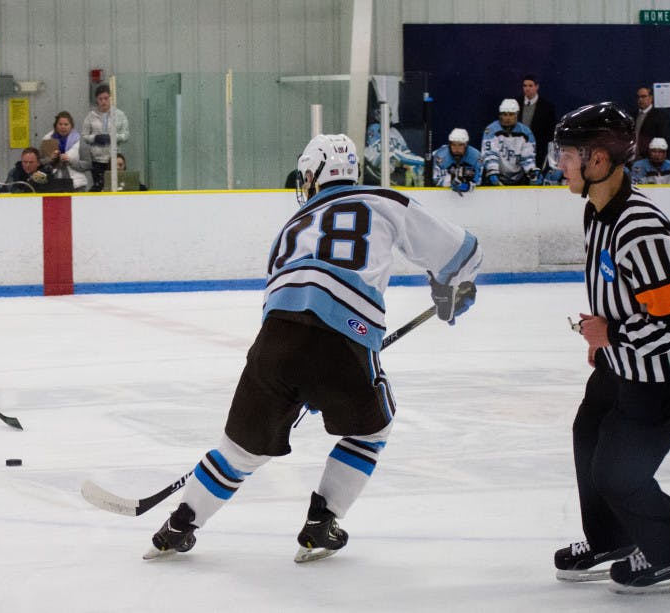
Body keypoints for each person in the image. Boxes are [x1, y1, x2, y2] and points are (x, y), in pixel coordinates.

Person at [144, 133, 481, 562]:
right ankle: (322, 522)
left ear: (312, 176)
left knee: (240, 450)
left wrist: (297, 377)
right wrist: (450, 290)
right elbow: (463, 252)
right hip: (344, 336)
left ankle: (178, 527)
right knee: (370, 430)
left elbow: (278, 301)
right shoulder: (382, 201)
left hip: (274, 342)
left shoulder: (291, 226)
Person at [549, 102, 670, 595]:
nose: (560, 165)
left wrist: (614, 335)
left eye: (567, 156)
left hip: (668, 369)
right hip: (627, 357)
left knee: (618, 474)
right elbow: (621, 290)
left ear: (598, 160)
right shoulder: (596, 210)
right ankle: (613, 539)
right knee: (588, 434)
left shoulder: (641, 228)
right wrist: (605, 338)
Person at [481, 99, 541, 186]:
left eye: (511, 114)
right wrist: (492, 171)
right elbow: (490, 154)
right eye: (505, 114)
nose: (508, 118)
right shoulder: (491, 130)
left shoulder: (526, 132)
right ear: (500, 115)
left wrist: (532, 171)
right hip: (496, 177)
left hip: (519, 179)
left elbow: (528, 158)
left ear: (517, 115)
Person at [82, 84, 129, 192]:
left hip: (114, 159)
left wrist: (112, 137)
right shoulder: (91, 116)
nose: (103, 101)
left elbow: (126, 135)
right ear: (96, 100)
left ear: (111, 98)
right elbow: (84, 135)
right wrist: (95, 138)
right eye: (100, 99)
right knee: (99, 188)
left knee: (115, 187)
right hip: (97, 160)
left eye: (106, 98)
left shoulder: (120, 115)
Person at [40, 111, 90, 191]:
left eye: (66, 124)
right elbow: (40, 162)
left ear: (71, 126)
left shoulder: (79, 140)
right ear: (56, 125)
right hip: (53, 185)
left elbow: (88, 164)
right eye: (60, 124)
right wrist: (50, 159)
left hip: (77, 185)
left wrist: (71, 161)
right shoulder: (47, 139)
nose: (63, 127)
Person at [516, 74, 557, 168]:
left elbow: (550, 133)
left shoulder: (547, 107)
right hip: (517, 150)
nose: (527, 89)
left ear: (537, 87)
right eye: (525, 86)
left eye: (530, 86)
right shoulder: (516, 103)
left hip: (537, 152)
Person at [431, 128, 482, 194]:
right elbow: (435, 179)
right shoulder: (440, 156)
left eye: (460, 145)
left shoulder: (476, 156)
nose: (457, 149)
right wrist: (450, 181)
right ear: (450, 144)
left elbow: (478, 180)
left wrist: (467, 186)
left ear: (466, 145)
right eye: (453, 145)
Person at [632, 87, 670, 160]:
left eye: (643, 96)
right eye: (638, 97)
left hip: (651, 159)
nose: (640, 99)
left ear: (651, 98)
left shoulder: (660, 116)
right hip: (633, 158)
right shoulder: (633, 115)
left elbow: (664, 139)